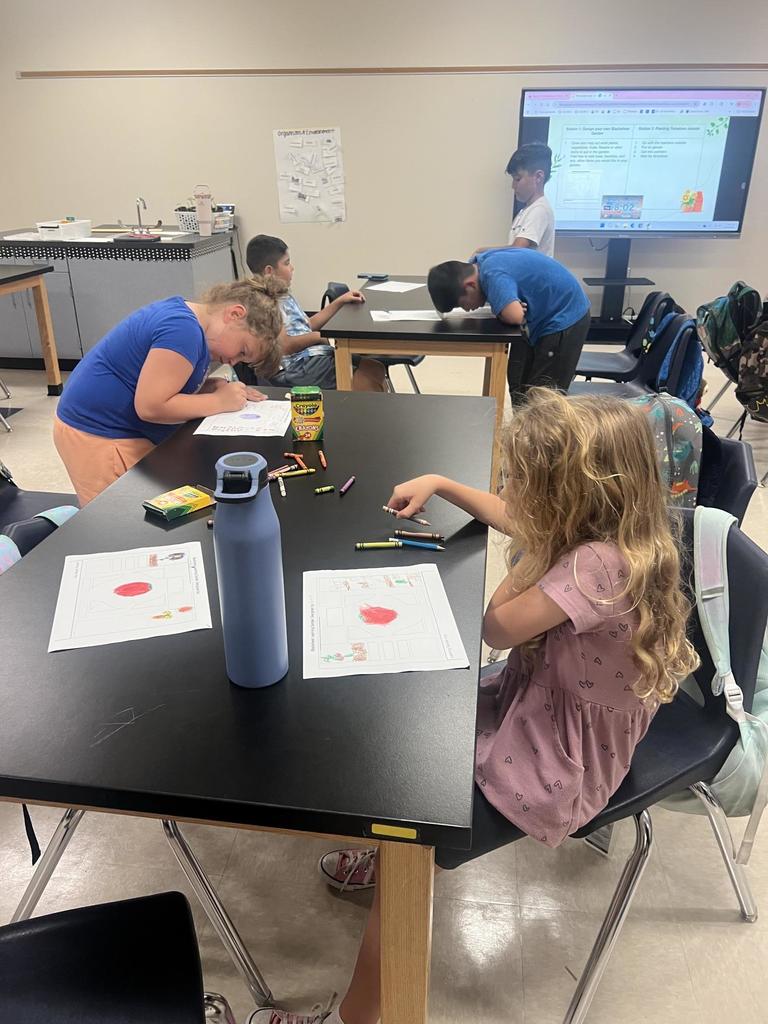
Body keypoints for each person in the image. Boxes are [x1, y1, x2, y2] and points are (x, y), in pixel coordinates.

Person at [248, 389, 700, 1024]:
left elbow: (497, 626)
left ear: (572, 499)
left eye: (530, 487)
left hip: (559, 760)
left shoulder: (597, 563)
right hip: (545, 705)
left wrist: (533, 551)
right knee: (414, 724)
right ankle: (387, 860)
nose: (517, 497)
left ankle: (357, 1010)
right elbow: (513, 516)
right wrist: (441, 483)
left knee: (409, 810)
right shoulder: (619, 529)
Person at [53, 277, 285, 505]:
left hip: (118, 429)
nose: (234, 361)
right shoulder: (183, 331)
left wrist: (207, 388)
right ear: (234, 314)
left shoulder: (193, 326)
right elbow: (151, 406)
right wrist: (219, 401)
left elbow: (162, 382)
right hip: (98, 435)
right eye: (242, 350)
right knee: (125, 522)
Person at [428, 249, 591, 401]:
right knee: (518, 383)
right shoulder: (480, 261)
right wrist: (506, 306)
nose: (467, 309)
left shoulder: (493, 276)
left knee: (543, 398)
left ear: (470, 285)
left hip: (565, 317)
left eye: (461, 304)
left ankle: (540, 432)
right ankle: (523, 429)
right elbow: (515, 311)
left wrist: (505, 310)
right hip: (545, 314)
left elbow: (515, 316)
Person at [242, 234, 386, 392]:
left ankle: (371, 408)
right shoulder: (266, 301)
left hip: (309, 358)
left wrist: (339, 302)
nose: (292, 268)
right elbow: (285, 346)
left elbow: (307, 325)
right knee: (364, 378)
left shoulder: (282, 294)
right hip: (298, 368)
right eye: (287, 263)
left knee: (374, 367)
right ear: (269, 271)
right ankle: (362, 412)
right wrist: (322, 336)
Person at [476, 142, 556, 258]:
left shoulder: (540, 209)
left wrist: (483, 251)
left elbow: (518, 249)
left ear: (538, 177)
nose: (513, 186)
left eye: (517, 179)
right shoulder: (526, 211)